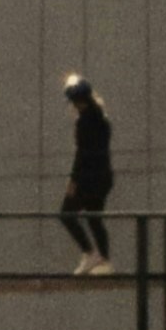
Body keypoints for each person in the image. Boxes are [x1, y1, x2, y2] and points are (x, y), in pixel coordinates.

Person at [57, 73, 115, 271]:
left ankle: (90, 253)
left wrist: (73, 181)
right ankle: (104, 261)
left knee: (66, 214)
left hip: (87, 178)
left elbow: (82, 155)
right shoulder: (102, 118)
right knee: (94, 218)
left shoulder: (84, 123)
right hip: (104, 176)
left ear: (77, 101)